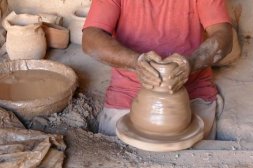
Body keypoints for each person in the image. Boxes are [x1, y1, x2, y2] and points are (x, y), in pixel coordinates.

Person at [82, 0, 233, 139]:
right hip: (127, 93)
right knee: (113, 153)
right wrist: (135, 62)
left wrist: (192, 62)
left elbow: (224, 35)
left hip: (191, 92)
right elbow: (91, 39)